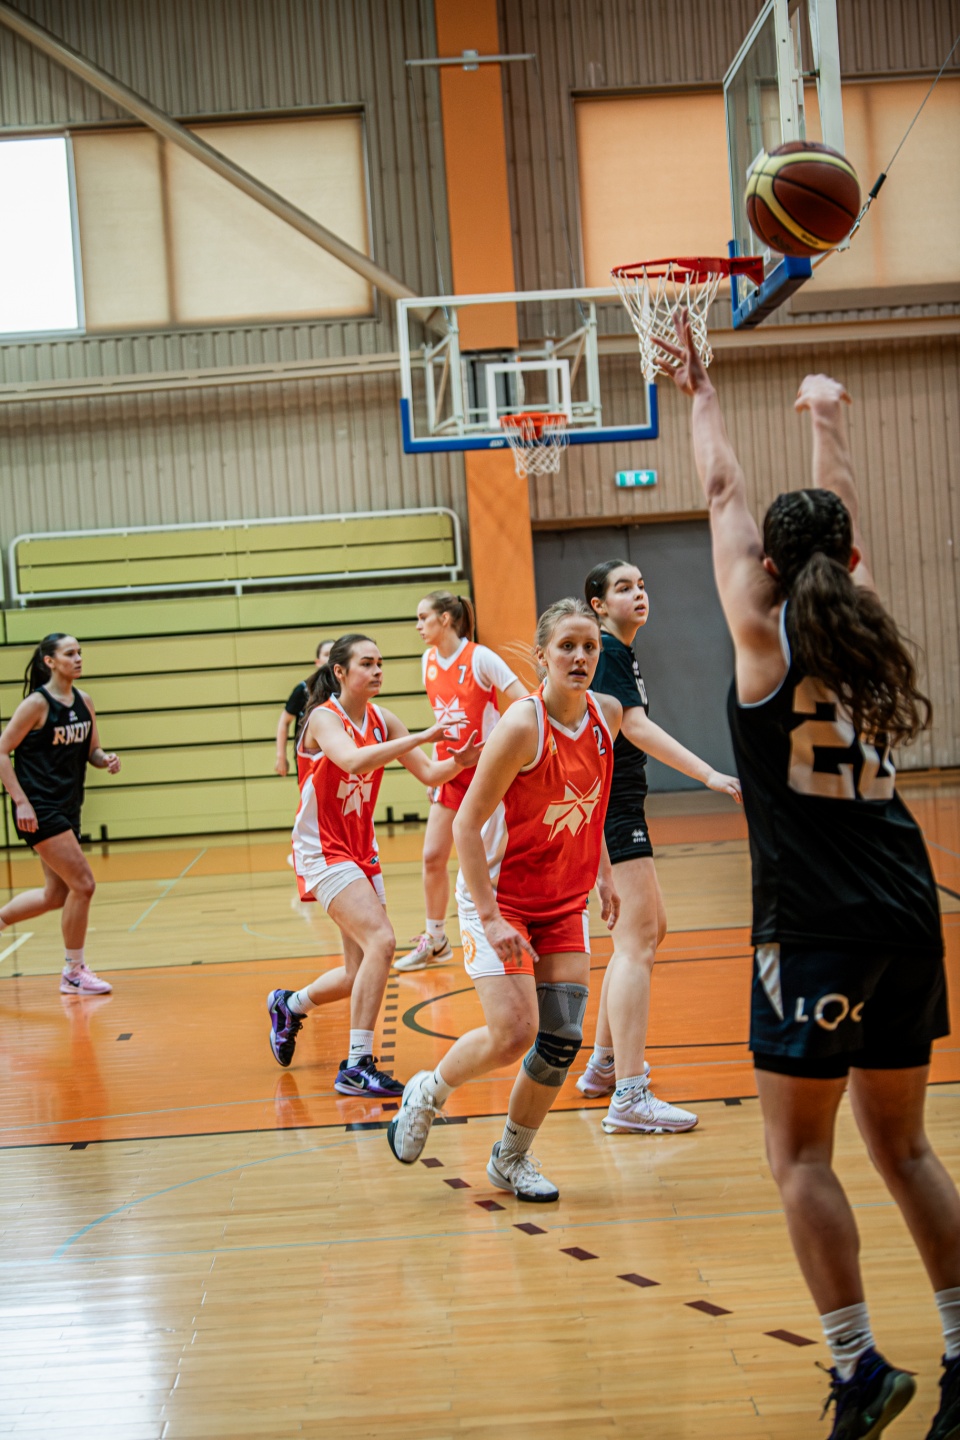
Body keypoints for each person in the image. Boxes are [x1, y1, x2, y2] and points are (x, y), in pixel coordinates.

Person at [657, 311, 960, 1440]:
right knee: (907, 1148)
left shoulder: (762, 634)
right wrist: (827, 414)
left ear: (770, 568)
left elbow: (722, 490)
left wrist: (700, 391)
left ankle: (858, 1367)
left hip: (814, 927)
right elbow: (839, 529)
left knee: (799, 1154)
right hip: (908, 909)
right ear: (849, 560)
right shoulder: (865, 627)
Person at [387, 599, 621, 1200]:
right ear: (541, 655)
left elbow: (592, 804)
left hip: (562, 901)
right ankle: (428, 1092)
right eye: (566, 646)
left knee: (561, 1037)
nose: (580, 657)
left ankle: (511, 1157)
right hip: (501, 898)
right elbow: (466, 825)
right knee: (515, 1032)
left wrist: (605, 874)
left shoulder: (607, 716)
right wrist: (490, 918)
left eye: (590, 647)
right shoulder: (522, 725)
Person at [266, 632, 482, 1097]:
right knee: (382, 942)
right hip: (323, 850)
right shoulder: (323, 718)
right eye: (367, 663)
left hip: (362, 849)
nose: (378, 670)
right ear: (340, 672)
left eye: (380, 662)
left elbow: (430, 773)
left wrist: (462, 762)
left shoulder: (384, 720)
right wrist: (422, 736)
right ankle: (357, 1065)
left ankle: (290, 1005)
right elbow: (351, 761)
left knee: (356, 972)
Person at [577, 560, 741, 1134]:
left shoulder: (619, 651)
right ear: (598, 604)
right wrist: (708, 774)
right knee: (638, 942)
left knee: (646, 932)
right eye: (624, 588)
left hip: (620, 807)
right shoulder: (607, 651)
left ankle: (603, 1066)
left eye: (642, 585)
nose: (639, 594)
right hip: (612, 810)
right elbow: (635, 728)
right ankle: (628, 1094)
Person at [394, 591, 525, 971]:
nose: (418, 626)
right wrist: (435, 771)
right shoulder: (428, 661)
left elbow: (523, 700)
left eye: (423, 617)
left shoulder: (480, 657)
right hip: (451, 770)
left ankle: (500, 928)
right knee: (433, 856)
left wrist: (506, 750)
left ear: (445, 619)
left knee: (489, 861)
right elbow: (443, 719)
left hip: (488, 773)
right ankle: (436, 940)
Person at [0, 633, 121, 995]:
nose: (78, 658)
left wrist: (105, 759)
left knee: (55, 894)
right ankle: (73, 971)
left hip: (69, 805)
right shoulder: (37, 704)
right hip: (39, 807)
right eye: (70, 653)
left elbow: (92, 750)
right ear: (50, 661)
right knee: (84, 885)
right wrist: (21, 801)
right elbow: (2, 750)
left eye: (80, 652)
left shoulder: (85, 701)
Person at [275, 639, 332, 777]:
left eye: (335, 654)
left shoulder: (346, 692)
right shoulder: (303, 690)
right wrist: (281, 756)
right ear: (318, 662)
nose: (331, 658)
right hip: (308, 758)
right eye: (326, 654)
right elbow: (284, 721)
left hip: (336, 755)